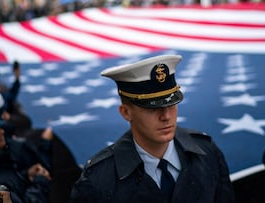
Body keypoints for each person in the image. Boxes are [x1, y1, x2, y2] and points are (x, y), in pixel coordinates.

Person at [70, 54, 234, 203]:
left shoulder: (206, 152)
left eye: (171, 104)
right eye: (152, 108)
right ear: (126, 112)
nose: (166, 116)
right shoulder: (99, 179)